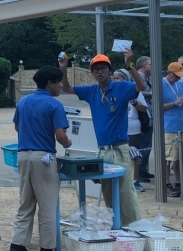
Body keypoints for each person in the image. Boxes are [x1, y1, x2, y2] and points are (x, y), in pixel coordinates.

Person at [59, 48, 147, 227]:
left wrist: (130, 65)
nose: (100, 71)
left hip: (119, 149)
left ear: (109, 70)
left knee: (126, 193)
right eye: (96, 68)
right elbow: (66, 88)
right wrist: (63, 68)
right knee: (108, 193)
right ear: (92, 73)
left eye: (103, 68)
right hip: (102, 151)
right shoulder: (92, 91)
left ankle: (136, 230)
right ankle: (117, 228)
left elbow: (141, 87)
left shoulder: (121, 87)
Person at [8, 65, 72, 251]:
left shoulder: (24, 101)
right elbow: (60, 136)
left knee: (25, 203)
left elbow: (18, 127)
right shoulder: (54, 105)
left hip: (23, 156)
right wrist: (69, 143)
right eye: (59, 82)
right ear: (50, 83)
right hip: (44, 158)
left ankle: (17, 246)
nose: (61, 85)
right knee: (47, 205)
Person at [161, 61, 183, 198]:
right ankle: (166, 183)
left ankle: (179, 182)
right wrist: (174, 103)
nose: (179, 78)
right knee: (168, 157)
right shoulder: (160, 84)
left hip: (182, 124)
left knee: (180, 157)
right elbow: (158, 106)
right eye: (176, 75)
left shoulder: (179, 84)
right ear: (169, 73)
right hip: (168, 126)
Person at [121, 70, 150, 193]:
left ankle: (135, 180)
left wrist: (133, 102)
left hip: (133, 127)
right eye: (115, 78)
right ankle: (122, 180)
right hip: (119, 128)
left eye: (119, 78)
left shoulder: (135, 92)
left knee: (134, 155)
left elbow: (144, 108)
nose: (117, 81)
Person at [134, 56, 154, 181]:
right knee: (143, 145)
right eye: (151, 64)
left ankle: (143, 170)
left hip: (148, 116)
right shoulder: (138, 78)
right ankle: (139, 172)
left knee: (147, 144)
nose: (153, 67)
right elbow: (137, 92)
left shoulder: (145, 79)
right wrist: (153, 93)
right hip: (142, 117)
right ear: (144, 65)